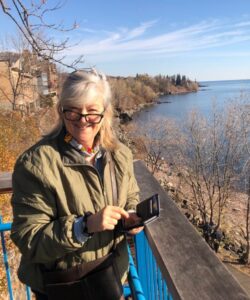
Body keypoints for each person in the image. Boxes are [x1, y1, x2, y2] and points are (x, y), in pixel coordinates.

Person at [10, 69, 143, 299]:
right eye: (73, 111)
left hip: (112, 281)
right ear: (61, 112)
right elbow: (29, 239)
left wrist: (131, 216)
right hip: (64, 289)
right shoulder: (35, 164)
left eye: (92, 112)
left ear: (105, 113)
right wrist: (84, 226)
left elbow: (131, 195)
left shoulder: (120, 155)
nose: (83, 121)